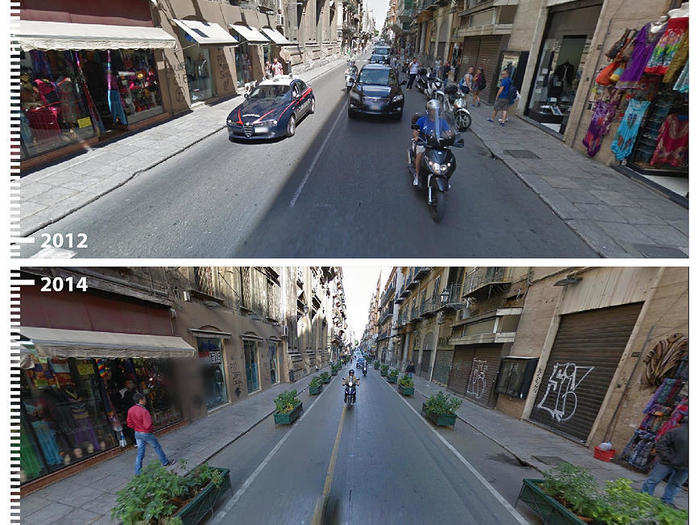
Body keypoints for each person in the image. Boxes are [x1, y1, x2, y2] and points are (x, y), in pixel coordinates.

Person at [641, 417, 688, 507]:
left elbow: (661, 444)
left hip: (678, 464)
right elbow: (661, 445)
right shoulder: (676, 432)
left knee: (654, 480)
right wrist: (669, 457)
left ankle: (647, 498)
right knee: (672, 483)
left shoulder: (674, 431)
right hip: (669, 462)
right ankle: (664, 500)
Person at [127, 393, 173, 475]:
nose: (145, 400)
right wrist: (149, 430)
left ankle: (138, 472)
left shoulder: (130, 410)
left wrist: (137, 428)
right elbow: (148, 425)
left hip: (137, 433)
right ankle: (165, 462)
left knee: (140, 452)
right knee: (157, 447)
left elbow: (129, 423)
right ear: (140, 400)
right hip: (146, 433)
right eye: (144, 399)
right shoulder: (144, 411)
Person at [412, 99, 451, 186]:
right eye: (433, 110)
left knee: (448, 157)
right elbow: (416, 130)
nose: (435, 112)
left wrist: (450, 136)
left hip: (438, 143)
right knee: (420, 154)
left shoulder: (442, 121)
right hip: (424, 142)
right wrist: (416, 137)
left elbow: (448, 132)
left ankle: (445, 176)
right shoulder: (422, 120)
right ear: (428, 110)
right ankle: (417, 175)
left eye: (436, 110)